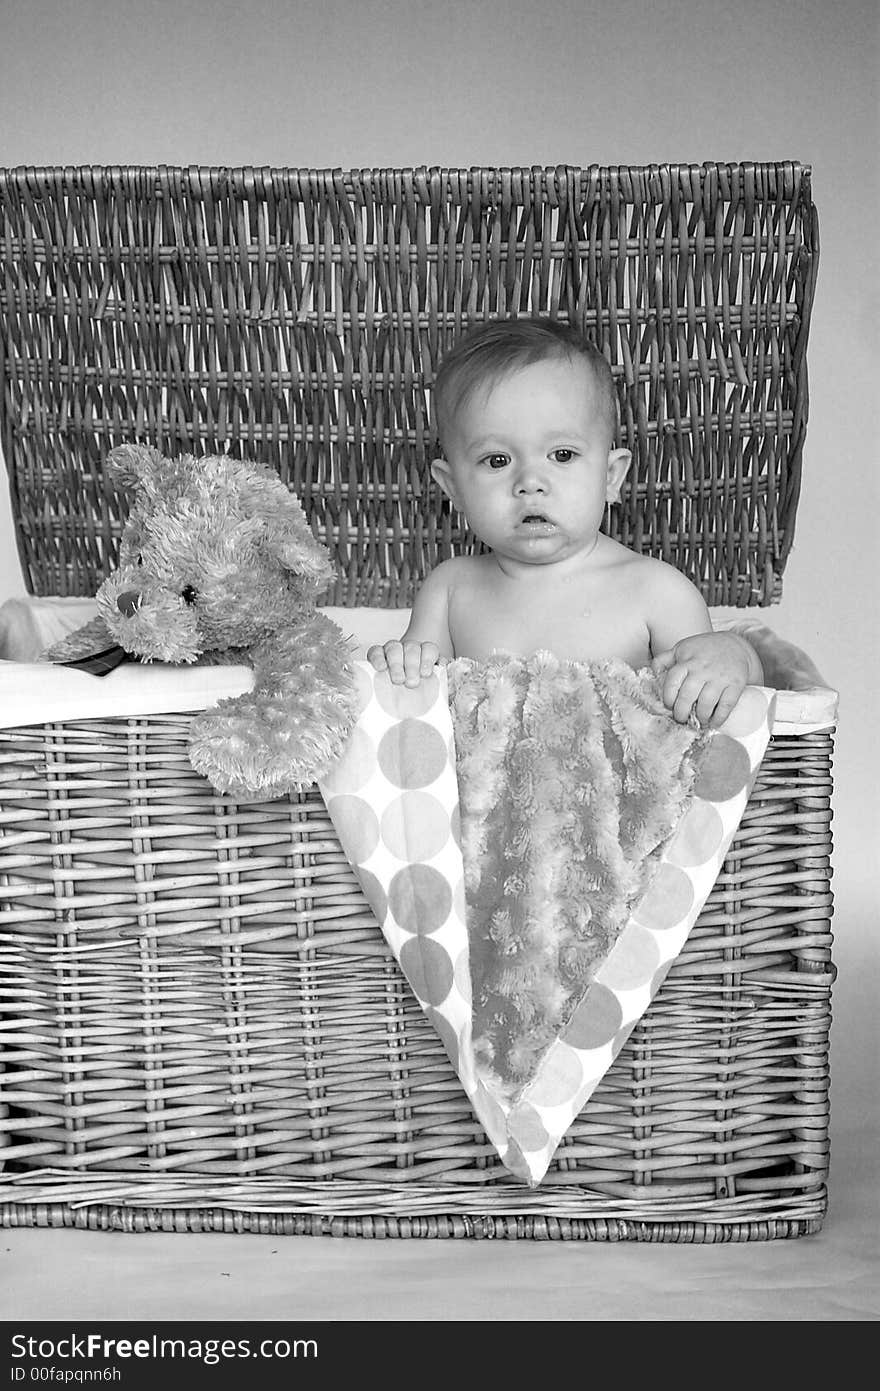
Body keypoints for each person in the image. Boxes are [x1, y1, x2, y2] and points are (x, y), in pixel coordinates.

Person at [367, 318, 763, 727]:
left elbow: (718, 700)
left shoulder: (657, 591)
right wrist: (402, 663)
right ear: (454, 489)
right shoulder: (450, 591)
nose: (530, 483)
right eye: (497, 461)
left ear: (610, 476)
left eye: (562, 455)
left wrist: (735, 655)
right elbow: (413, 712)